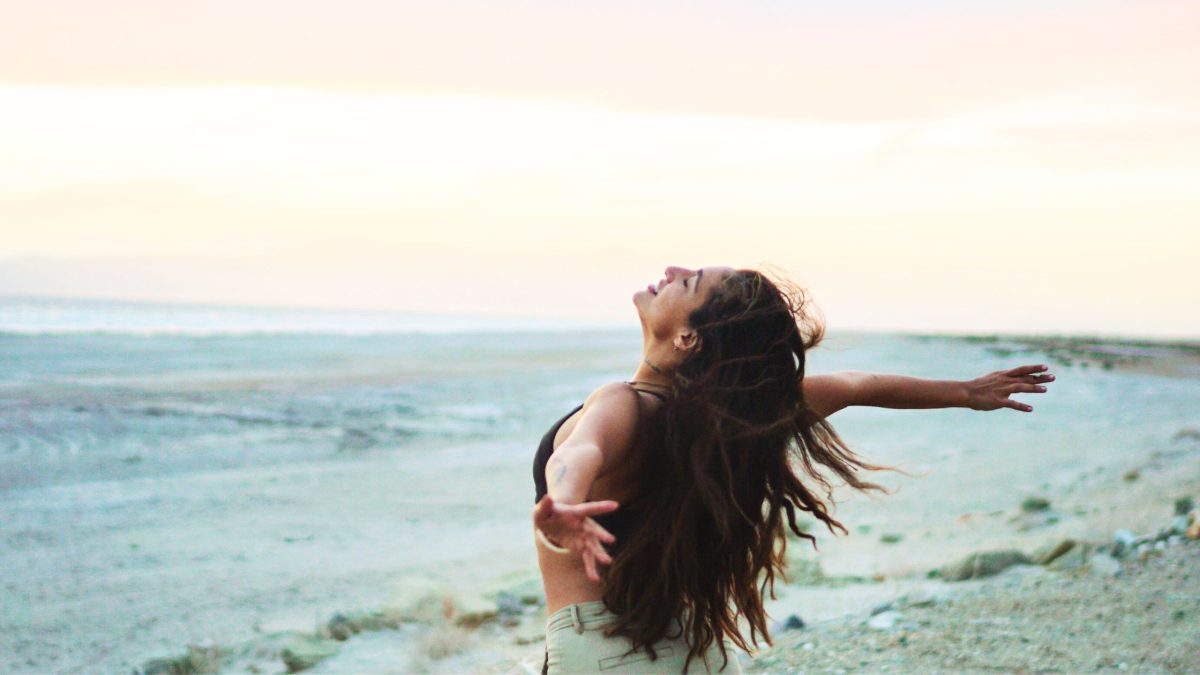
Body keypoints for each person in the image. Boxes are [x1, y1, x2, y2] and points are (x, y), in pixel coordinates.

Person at [532, 265, 1054, 674]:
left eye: (687, 282)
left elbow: (581, 451)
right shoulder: (730, 422)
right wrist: (964, 392)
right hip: (690, 647)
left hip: (599, 647)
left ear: (688, 338)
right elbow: (857, 386)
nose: (671, 271)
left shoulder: (623, 401)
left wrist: (564, 502)